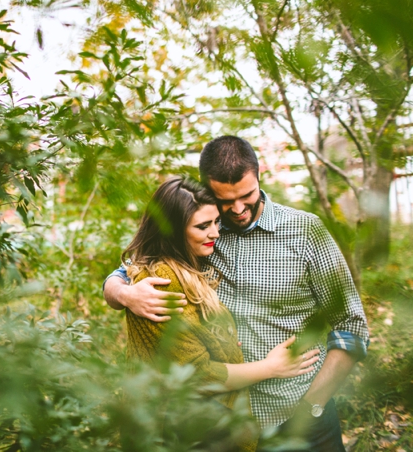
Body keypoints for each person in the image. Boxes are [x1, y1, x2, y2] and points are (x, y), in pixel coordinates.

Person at [104, 136, 369, 451]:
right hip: (225, 425)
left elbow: (351, 326)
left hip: (300, 414)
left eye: (247, 195)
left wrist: (314, 404)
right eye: (225, 200)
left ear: (259, 175)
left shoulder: (306, 231)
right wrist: (125, 295)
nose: (238, 209)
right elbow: (127, 273)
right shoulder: (200, 230)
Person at [124, 176, 320, 451]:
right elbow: (197, 376)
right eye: (203, 226)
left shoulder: (189, 265)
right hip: (185, 432)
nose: (216, 233)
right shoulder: (162, 281)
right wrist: (271, 368)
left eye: (216, 222)